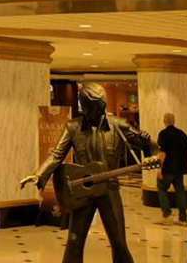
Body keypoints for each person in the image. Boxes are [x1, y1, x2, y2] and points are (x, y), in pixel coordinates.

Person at [20, 83, 156, 263]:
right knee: (74, 242)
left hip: (109, 191)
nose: (84, 110)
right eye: (82, 106)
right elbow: (57, 154)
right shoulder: (73, 127)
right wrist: (38, 174)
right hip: (83, 192)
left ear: (100, 106)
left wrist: (149, 147)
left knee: (119, 243)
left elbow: (152, 148)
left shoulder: (118, 126)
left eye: (88, 107)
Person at [156, 112, 187, 226]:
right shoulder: (181, 133)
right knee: (180, 191)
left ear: (164, 121)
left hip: (168, 168)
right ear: (174, 121)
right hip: (180, 169)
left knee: (161, 187)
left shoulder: (163, 134)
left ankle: (167, 215)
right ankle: (183, 218)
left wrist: (159, 168)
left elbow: (162, 152)